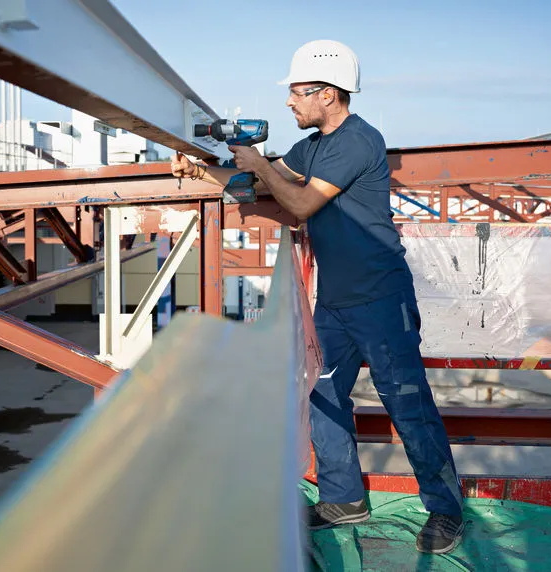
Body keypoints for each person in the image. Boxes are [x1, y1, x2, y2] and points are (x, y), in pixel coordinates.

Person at [171, 39, 464, 554]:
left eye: (296, 93)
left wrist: (259, 165)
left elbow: (301, 202)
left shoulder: (357, 140)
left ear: (326, 93)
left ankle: (444, 509)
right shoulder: (313, 147)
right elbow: (267, 183)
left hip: (380, 299)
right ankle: (342, 499)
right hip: (335, 301)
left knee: (408, 405)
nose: (289, 103)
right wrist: (203, 172)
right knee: (323, 395)